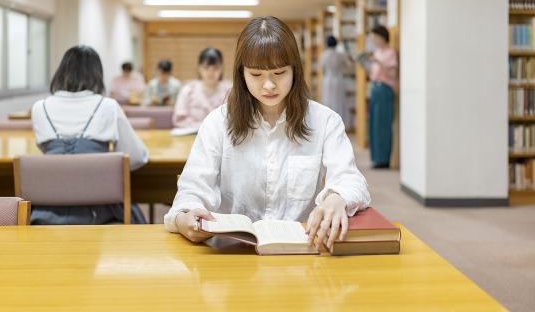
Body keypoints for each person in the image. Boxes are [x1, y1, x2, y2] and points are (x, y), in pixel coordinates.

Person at [164, 16, 370, 249]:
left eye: (280, 73)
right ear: (241, 74)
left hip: (300, 251)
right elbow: (193, 188)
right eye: (256, 75)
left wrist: (337, 197)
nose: (269, 85)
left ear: (295, 69)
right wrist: (184, 218)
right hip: (232, 254)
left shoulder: (324, 121)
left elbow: (352, 180)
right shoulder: (218, 122)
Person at [31, 45, 149, 224]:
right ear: (96, 74)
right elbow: (136, 157)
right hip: (99, 210)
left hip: (48, 211)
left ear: (62, 71)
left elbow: (49, 155)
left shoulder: (39, 107)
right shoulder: (108, 106)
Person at [172, 48, 231, 129]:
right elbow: (179, 120)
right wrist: (203, 127)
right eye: (206, 68)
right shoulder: (188, 90)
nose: (211, 72)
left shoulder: (229, 91)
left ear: (221, 69)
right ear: (199, 68)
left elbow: (234, 119)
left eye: (215, 68)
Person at [367, 25, 398, 169]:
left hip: (385, 90)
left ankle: (383, 159)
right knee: (373, 124)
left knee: (382, 124)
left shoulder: (390, 52)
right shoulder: (377, 52)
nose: (373, 40)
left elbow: (392, 74)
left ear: (382, 37)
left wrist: (378, 62)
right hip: (375, 88)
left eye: (374, 37)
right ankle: (376, 157)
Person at [320, 35, 352, 120]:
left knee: (327, 100)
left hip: (327, 79)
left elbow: (322, 68)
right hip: (338, 79)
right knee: (338, 100)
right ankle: (339, 121)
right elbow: (349, 66)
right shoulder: (340, 55)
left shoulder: (324, 54)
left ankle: (328, 121)